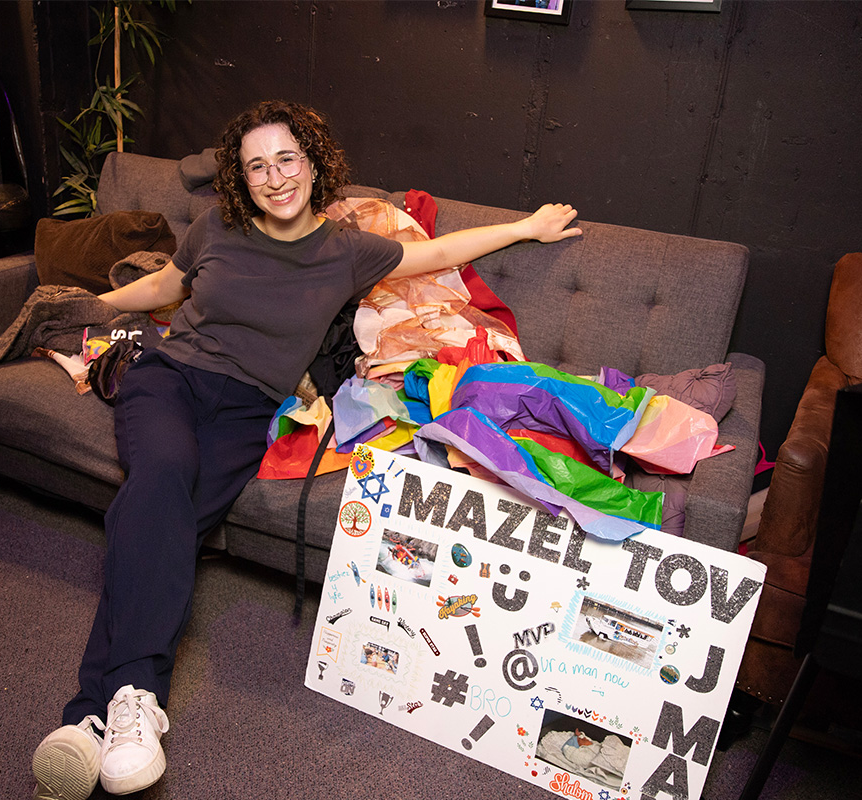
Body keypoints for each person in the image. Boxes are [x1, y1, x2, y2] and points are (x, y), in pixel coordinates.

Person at [31, 99, 582, 799]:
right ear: (242, 178)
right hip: (168, 380)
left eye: (287, 159)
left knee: (160, 520)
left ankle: (86, 721)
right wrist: (87, 310)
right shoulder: (216, 227)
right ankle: (134, 697)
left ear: (314, 163)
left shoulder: (347, 251)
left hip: (245, 409)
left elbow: (439, 253)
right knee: (163, 474)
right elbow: (167, 286)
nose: (275, 178)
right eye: (257, 166)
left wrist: (527, 227)